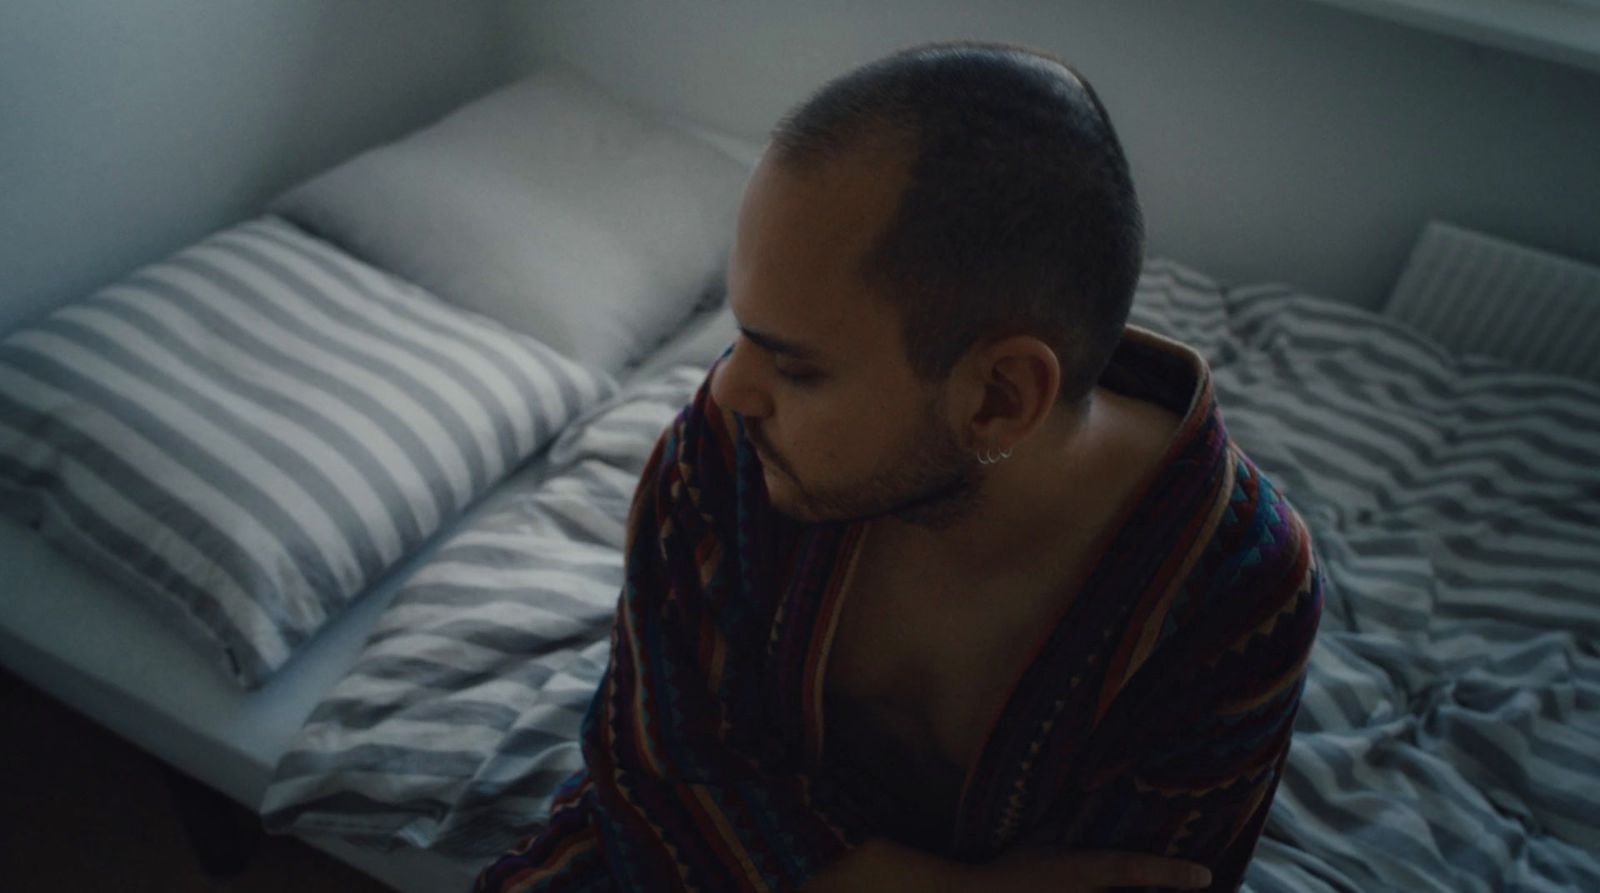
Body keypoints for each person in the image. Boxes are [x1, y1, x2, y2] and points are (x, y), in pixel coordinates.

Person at [477, 41, 1322, 893]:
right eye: (742, 332)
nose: (730, 387)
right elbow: (659, 777)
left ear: (999, 397)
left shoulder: (1237, 594)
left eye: (799, 367)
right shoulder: (728, 449)